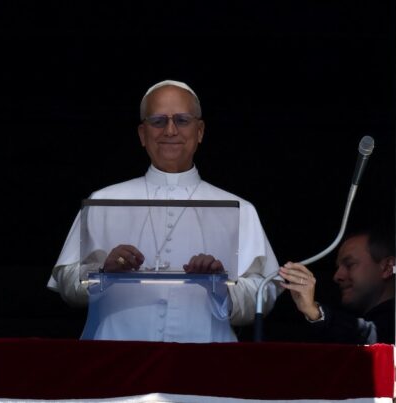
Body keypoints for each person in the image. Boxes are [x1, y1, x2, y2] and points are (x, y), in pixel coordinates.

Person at [48, 79, 279, 343]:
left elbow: (263, 292)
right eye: (158, 121)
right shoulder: (104, 200)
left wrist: (220, 284)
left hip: (207, 357)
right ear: (142, 134)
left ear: (200, 131)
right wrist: (103, 271)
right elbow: (66, 284)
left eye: (182, 120)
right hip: (116, 355)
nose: (170, 130)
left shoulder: (241, 209)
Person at [277, 230, 395, 344]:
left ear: (387, 268)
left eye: (349, 265)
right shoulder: (346, 319)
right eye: (338, 267)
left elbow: (375, 336)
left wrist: (314, 311)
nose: (337, 276)